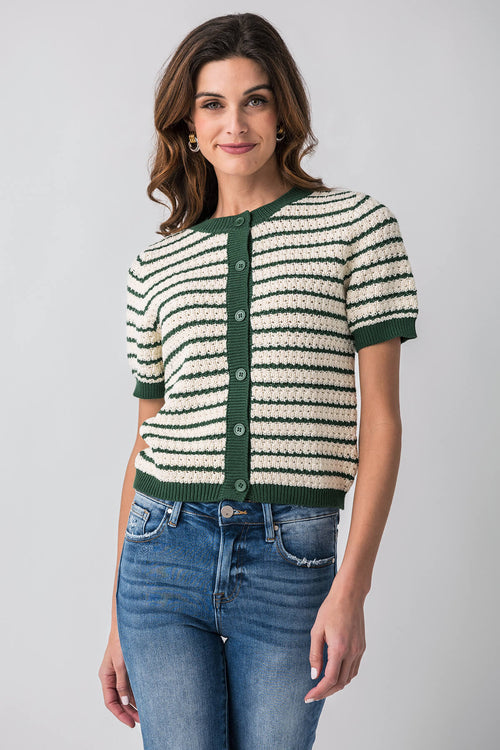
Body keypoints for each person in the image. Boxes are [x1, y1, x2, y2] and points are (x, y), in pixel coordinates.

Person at [98, 12, 419, 750]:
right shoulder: (156, 265)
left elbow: (383, 420)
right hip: (161, 551)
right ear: (188, 125)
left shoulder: (357, 227)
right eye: (212, 104)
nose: (234, 124)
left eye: (256, 100)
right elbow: (146, 439)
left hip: (291, 557)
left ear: (284, 114)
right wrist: (115, 617)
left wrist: (353, 588)